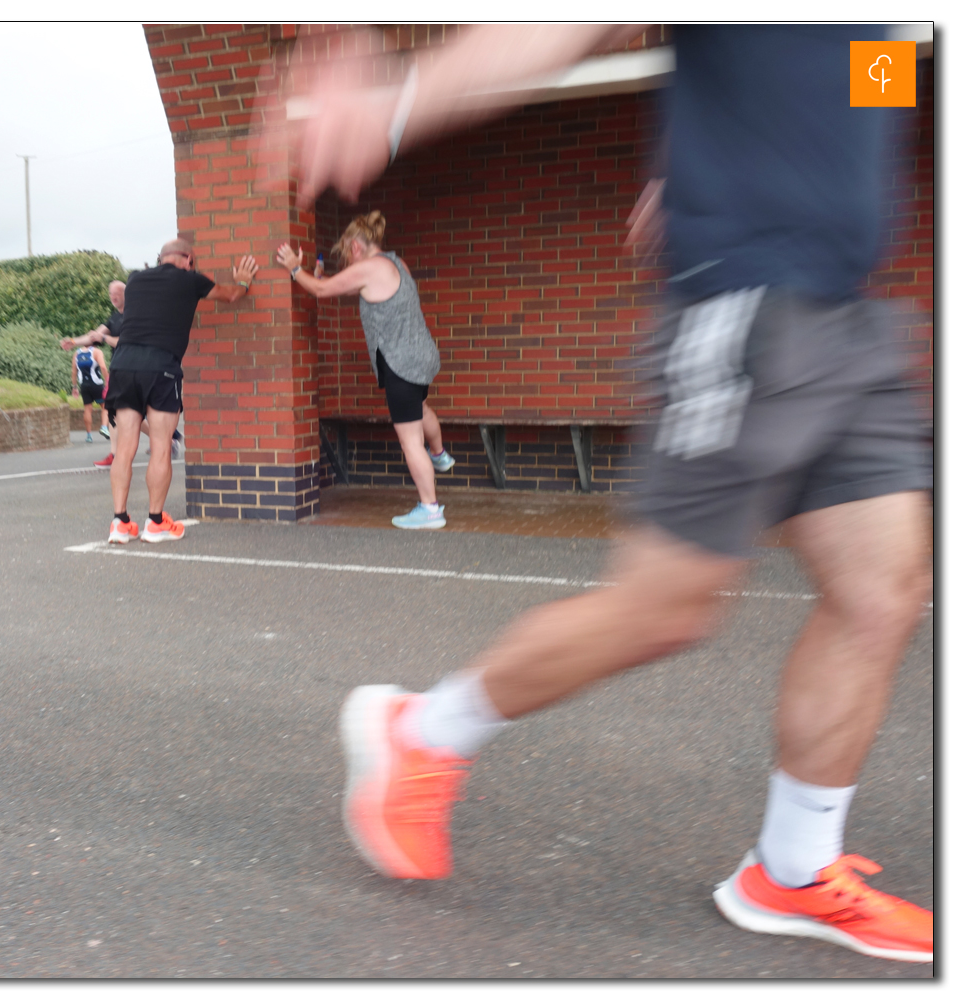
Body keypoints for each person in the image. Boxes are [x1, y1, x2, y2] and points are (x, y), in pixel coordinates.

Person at [293, 24, 933, 962]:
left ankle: (792, 870)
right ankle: (421, 732)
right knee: (665, 609)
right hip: (749, 303)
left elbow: (850, 90)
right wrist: (395, 104)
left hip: (850, 314)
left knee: (884, 589)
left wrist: (704, 163)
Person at [277, 211, 456, 529]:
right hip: (421, 356)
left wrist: (294, 266)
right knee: (420, 408)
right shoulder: (394, 264)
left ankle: (431, 509)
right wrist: (318, 277)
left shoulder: (368, 267)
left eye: (346, 251)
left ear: (356, 247)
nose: (346, 258)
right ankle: (440, 454)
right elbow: (335, 287)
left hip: (401, 362)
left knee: (409, 440)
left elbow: (320, 292)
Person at [103, 238, 258, 544]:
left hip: (123, 365)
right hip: (160, 366)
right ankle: (156, 522)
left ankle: (120, 523)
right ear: (188, 260)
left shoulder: (135, 280)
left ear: (160, 258)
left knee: (124, 448)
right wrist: (243, 280)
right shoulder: (190, 279)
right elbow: (230, 295)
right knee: (161, 446)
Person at [63, 281, 183, 465]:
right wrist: (74, 341)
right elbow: (94, 335)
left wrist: (104, 338)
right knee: (117, 411)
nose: (113, 296)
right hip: (121, 370)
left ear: (127, 294)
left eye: (117, 292)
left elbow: (126, 341)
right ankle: (119, 453)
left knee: (137, 412)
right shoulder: (113, 318)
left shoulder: (135, 316)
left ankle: (166, 439)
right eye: (111, 293)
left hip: (138, 369)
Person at [71, 344, 109, 442]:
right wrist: (108, 381)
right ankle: (104, 427)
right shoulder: (96, 351)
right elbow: (103, 367)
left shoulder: (77, 353)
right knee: (106, 406)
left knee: (87, 409)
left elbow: (74, 372)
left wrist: (75, 387)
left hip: (84, 385)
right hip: (97, 384)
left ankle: (89, 435)